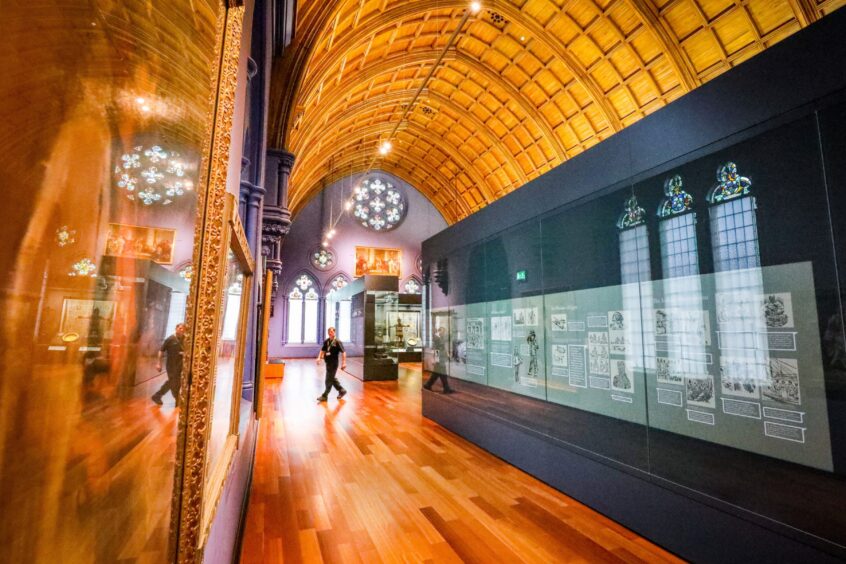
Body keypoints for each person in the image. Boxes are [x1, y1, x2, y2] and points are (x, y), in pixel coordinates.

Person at [151, 323, 186, 405]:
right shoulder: (170, 339)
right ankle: (175, 399)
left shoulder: (185, 339)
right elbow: (161, 351)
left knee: (176, 382)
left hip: (180, 365)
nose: (182, 330)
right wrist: (158, 363)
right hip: (171, 366)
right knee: (173, 382)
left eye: (183, 329)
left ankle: (159, 396)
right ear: (176, 328)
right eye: (180, 328)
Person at [316, 326, 347, 401]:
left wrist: (344, 363)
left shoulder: (337, 342)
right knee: (331, 378)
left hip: (334, 363)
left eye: (332, 332)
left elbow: (343, 352)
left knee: (328, 379)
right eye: (329, 332)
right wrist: (319, 357)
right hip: (328, 363)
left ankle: (325, 395)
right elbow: (322, 350)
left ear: (334, 332)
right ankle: (342, 390)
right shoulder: (327, 341)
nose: (330, 333)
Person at [424, 326, 453, 393]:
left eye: (444, 331)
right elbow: (436, 349)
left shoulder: (440, 338)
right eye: (442, 331)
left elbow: (444, 348)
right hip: (439, 357)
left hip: (441, 356)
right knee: (442, 372)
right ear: (439, 331)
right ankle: (446, 388)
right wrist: (436, 359)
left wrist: (447, 355)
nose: (444, 333)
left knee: (437, 373)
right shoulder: (437, 338)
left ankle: (428, 385)